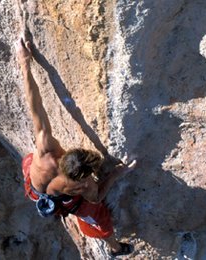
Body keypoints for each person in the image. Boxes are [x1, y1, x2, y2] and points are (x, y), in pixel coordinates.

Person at [16, 35, 136, 257]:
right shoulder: (79, 187)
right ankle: (116, 248)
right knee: (98, 219)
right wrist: (117, 174)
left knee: (28, 159)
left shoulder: (45, 149)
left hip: (34, 187)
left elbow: (36, 107)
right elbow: (96, 197)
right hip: (60, 198)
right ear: (82, 177)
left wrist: (25, 64)